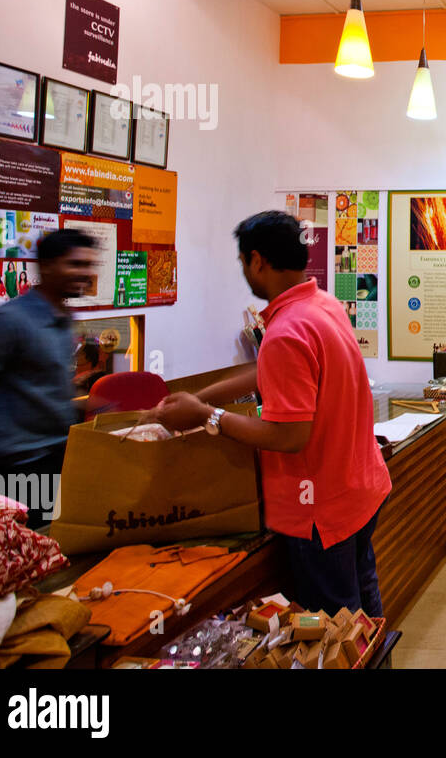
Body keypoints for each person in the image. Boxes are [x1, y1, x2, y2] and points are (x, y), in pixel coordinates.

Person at [150, 211, 391, 616]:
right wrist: (198, 397)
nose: (245, 270)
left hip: (319, 508)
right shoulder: (323, 306)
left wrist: (208, 416)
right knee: (364, 609)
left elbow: (289, 436)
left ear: (257, 260)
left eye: (243, 262)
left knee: (334, 626)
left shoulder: (285, 331)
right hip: (358, 490)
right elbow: (268, 371)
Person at [0, 229, 97, 526]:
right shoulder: (7, 321)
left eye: (88, 265)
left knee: (53, 551)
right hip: (11, 471)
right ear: (46, 267)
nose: (85, 273)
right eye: (75, 264)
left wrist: (90, 406)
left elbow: (37, 388)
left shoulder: (63, 318)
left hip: (55, 459)